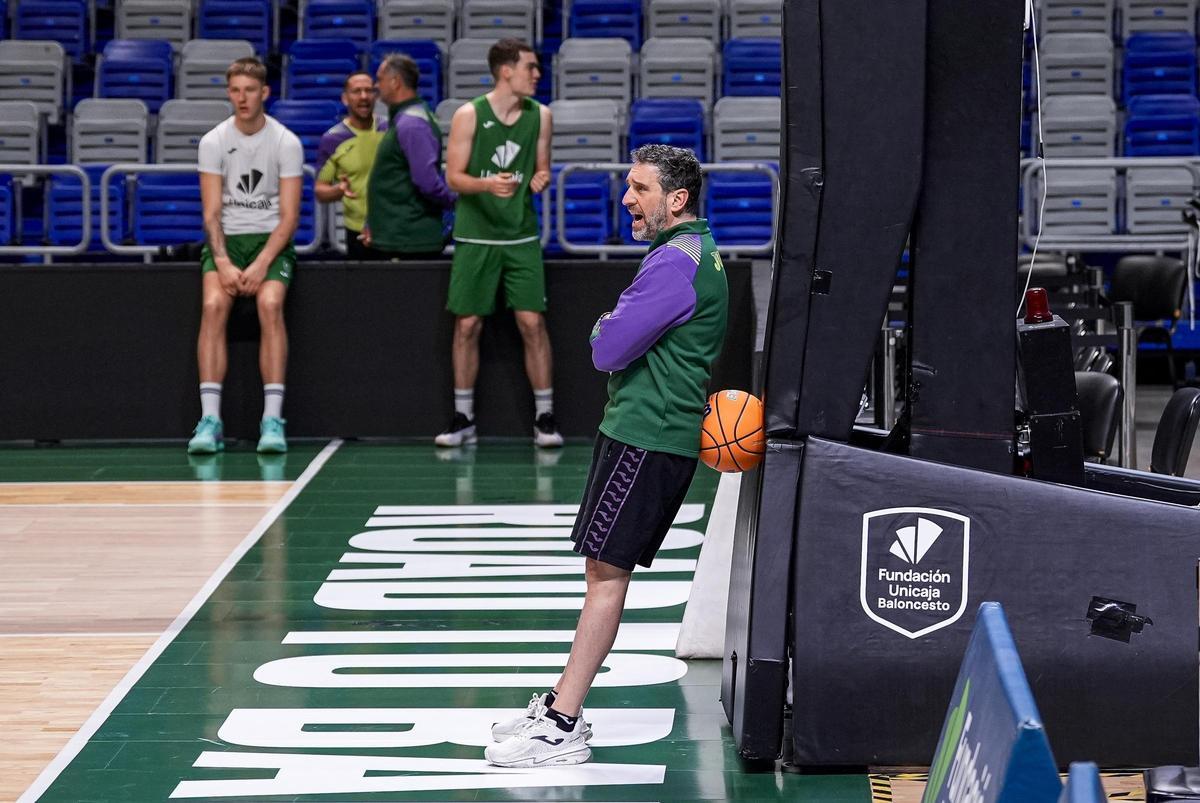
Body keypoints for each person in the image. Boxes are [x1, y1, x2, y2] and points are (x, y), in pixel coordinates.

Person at [484, 145, 728, 768]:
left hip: (647, 437)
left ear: (676, 200)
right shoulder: (688, 255)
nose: (627, 199)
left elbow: (607, 347)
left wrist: (603, 325)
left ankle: (564, 722)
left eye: (640, 189)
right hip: (643, 433)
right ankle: (560, 705)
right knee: (602, 572)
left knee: (605, 577)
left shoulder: (676, 264)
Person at [437, 38, 562, 448]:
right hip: (476, 237)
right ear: (506, 71)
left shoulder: (540, 116)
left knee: (532, 323)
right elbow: (454, 178)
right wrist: (488, 183)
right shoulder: (468, 115)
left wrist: (540, 179)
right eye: (530, 67)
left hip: (521, 236)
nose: (537, 74)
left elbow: (541, 169)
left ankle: (545, 416)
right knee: (468, 325)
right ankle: (463, 417)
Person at [188, 57, 304, 455]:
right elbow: (211, 212)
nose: (242, 98)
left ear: (264, 93)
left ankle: (272, 420)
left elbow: (289, 218)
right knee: (212, 305)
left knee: (270, 304)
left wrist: (259, 265)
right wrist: (222, 261)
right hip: (228, 242)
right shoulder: (213, 141)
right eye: (235, 90)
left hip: (270, 242)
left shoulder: (286, 142)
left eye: (249, 90)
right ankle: (210, 421)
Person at [362, 53, 456, 260]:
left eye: (380, 79)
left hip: (411, 241)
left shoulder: (413, 125)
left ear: (395, 82)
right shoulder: (403, 120)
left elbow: (427, 183)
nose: (376, 86)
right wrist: (373, 222)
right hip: (398, 237)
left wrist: (456, 203)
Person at [315, 71, 388, 260]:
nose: (363, 97)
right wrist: (339, 190)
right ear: (345, 98)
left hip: (392, 228)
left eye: (368, 91)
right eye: (357, 91)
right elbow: (320, 191)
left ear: (376, 96)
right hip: (356, 232)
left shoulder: (391, 130)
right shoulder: (333, 140)